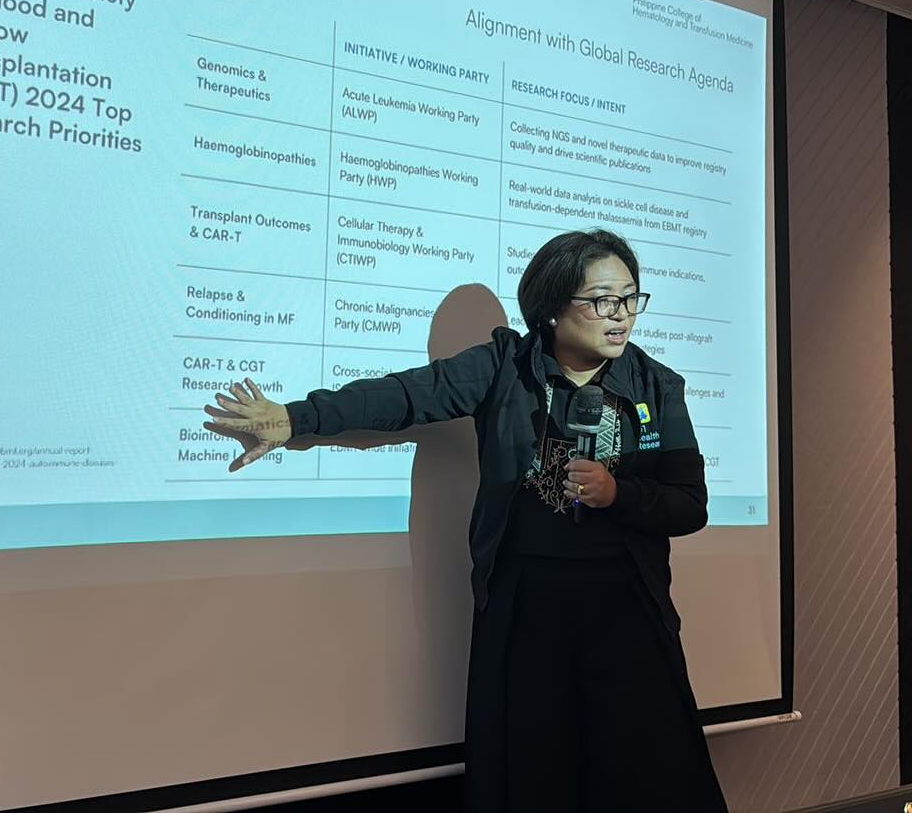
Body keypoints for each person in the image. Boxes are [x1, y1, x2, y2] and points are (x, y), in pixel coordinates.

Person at [203, 229, 728, 811]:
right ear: (553, 307)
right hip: (528, 608)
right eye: (603, 300)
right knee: (535, 773)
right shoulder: (505, 366)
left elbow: (689, 504)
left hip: (626, 608)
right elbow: (403, 396)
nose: (622, 315)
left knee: (646, 774)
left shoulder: (657, 385)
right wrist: (295, 418)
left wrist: (618, 494)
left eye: (630, 298)